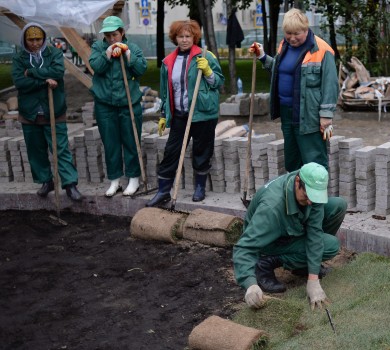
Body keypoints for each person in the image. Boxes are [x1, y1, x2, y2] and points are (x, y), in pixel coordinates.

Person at [233, 162, 347, 309]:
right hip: (268, 241)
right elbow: (244, 247)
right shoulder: (272, 208)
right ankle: (265, 262)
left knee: (338, 205)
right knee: (331, 246)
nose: (311, 201)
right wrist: (250, 284)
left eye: (314, 196)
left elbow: (315, 233)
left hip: (290, 229)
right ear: (298, 181)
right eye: (307, 196)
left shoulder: (311, 192)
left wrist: (313, 279)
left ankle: (303, 265)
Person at [146, 20, 224, 207]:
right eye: (180, 36)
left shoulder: (205, 56)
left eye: (188, 36)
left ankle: (199, 188)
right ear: (175, 38)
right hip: (180, 115)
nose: (184, 40)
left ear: (194, 37)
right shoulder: (168, 61)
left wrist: (207, 71)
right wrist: (165, 114)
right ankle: (163, 191)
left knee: (201, 151)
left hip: (203, 114)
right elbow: (166, 92)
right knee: (171, 152)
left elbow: (218, 83)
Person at [248, 9, 337, 172]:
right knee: (292, 157)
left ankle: (316, 196)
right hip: (287, 113)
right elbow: (279, 69)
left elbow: (330, 85)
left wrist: (326, 115)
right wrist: (262, 56)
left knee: (313, 159)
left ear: (306, 29)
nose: (292, 38)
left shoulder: (322, 50)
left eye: (297, 33)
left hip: (310, 115)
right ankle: (297, 194)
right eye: (288, 33)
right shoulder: (284, 45)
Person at [11, 23, 83, 201]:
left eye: (38, 39)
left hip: (54, 110)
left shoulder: (54, 53)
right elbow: (20, 82)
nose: (35, 43)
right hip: (30, 112)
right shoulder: (20, 58)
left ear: (43, 39)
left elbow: (57, 72)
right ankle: (46, 181)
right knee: (36, 150)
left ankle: (69, 183)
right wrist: (44, 81)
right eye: (31, 40)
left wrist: (32, 73)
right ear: (25, 40)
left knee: (60, 148)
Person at [89, 16, 148, 197]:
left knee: (131, 142)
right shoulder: (98, 47)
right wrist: (107, 54)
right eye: (108, 35)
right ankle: (114, 180)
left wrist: (128, 55)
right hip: (105, 105)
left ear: (122, 33)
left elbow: (141, 70)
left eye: (115, 34)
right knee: (111, 144)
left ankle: (133, 179)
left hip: (128, 104)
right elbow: (96, 67)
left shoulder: (134, 48)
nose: (112, 39)